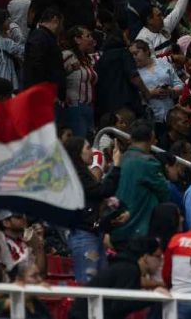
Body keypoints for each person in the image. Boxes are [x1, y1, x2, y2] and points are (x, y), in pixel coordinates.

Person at [65, 137, 124, 283]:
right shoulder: (75, 175)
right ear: (77, 153)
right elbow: (103, 190)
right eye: (87, 148)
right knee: (89, 282)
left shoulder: (84, 173)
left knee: (101, 282)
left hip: (94, 235)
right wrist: (116, 165)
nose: (92, 152)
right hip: (84, 237)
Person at [69, 236, 164, 319]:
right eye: (158, 257)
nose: (161, 262)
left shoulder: (124, 266)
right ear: (146, 257)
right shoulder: (129, 270)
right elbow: (122, 304)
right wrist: (152, 297)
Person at [111, 119, 169, 249]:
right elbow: (165, 193)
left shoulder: (119, 160)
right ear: (152, 138)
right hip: (139, 233)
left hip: (116, 232)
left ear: (130, 138)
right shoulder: (148, 163)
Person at [21, 7, 66, 102]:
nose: (61, 28)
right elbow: (36, 66)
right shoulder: (40, 37)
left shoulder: (44, 37)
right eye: (61, 23)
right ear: (55, 20)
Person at [61, 26, 98, 138]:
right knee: (79, 143)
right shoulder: (67, 55)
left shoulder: (87, 59)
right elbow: (56, 75)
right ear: (77, 39)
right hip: (75, 107)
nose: (91, 39)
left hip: (89, 107)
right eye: (87, 36)